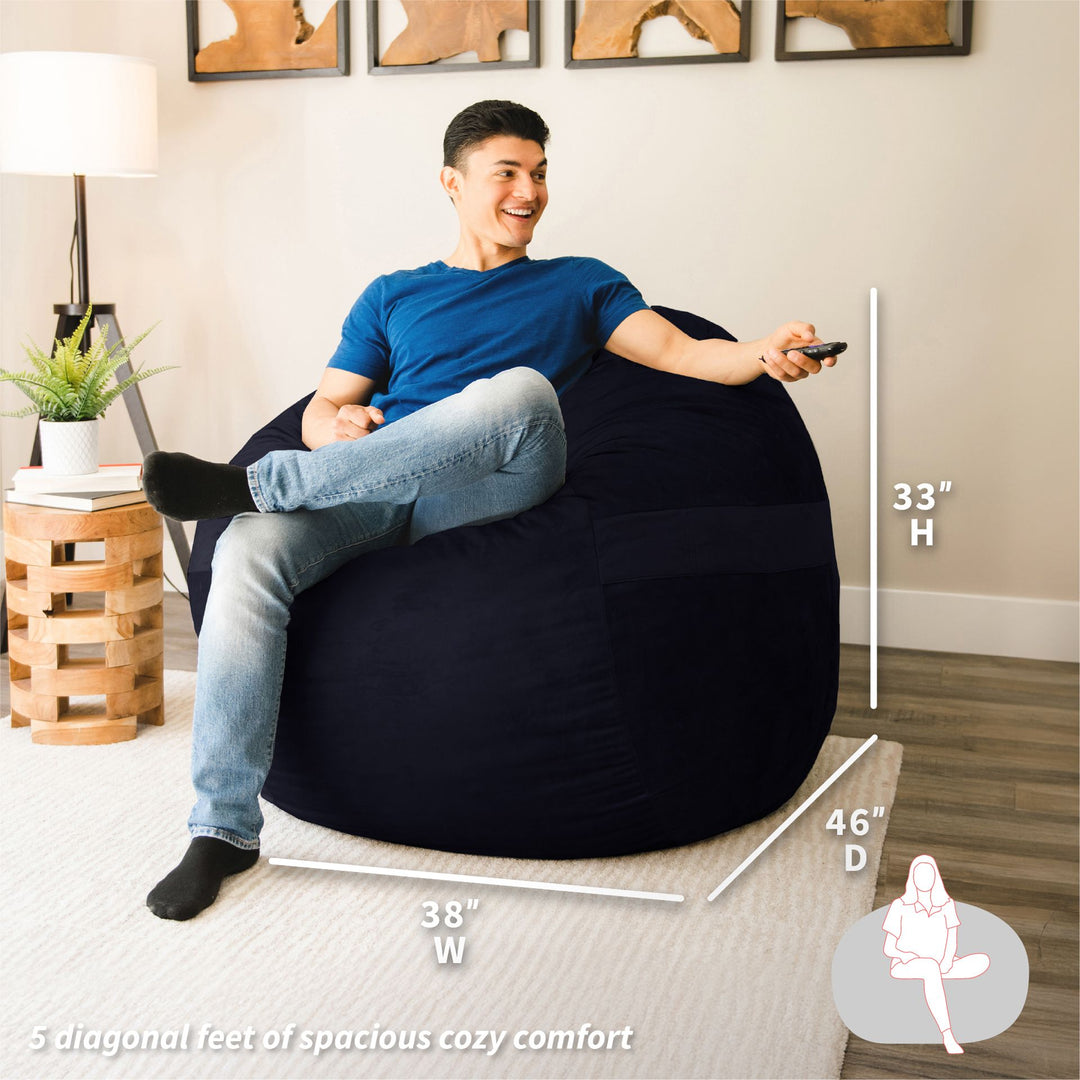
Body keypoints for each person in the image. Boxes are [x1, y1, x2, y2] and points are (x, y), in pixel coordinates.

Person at [142, 100, 841, 920]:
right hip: (379, 488)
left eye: (539, 173)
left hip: (499, 486)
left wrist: (763, 351)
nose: (529, 191)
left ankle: (261, 487)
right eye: (507, 172)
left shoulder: (580, 282)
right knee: (244, 553)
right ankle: (222, 828)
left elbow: (685, 355)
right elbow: (324, 406)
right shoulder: (393, 295)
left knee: (520, 392)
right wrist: (339, 429)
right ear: (452, 182)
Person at [882, 854, 991, 1054]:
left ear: (935, 877)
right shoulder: (900, 906)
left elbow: (952, 938)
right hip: (906, 963)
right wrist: (906, 956)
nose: (924, 879)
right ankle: (947, 1034)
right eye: (919, 875)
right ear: (912, 878)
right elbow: (888, 948)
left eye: (928, 874)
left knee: (982, 961)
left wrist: (947, 960)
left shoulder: (947, 905)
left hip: (940, 962)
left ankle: (935, 977)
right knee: (929, 967)